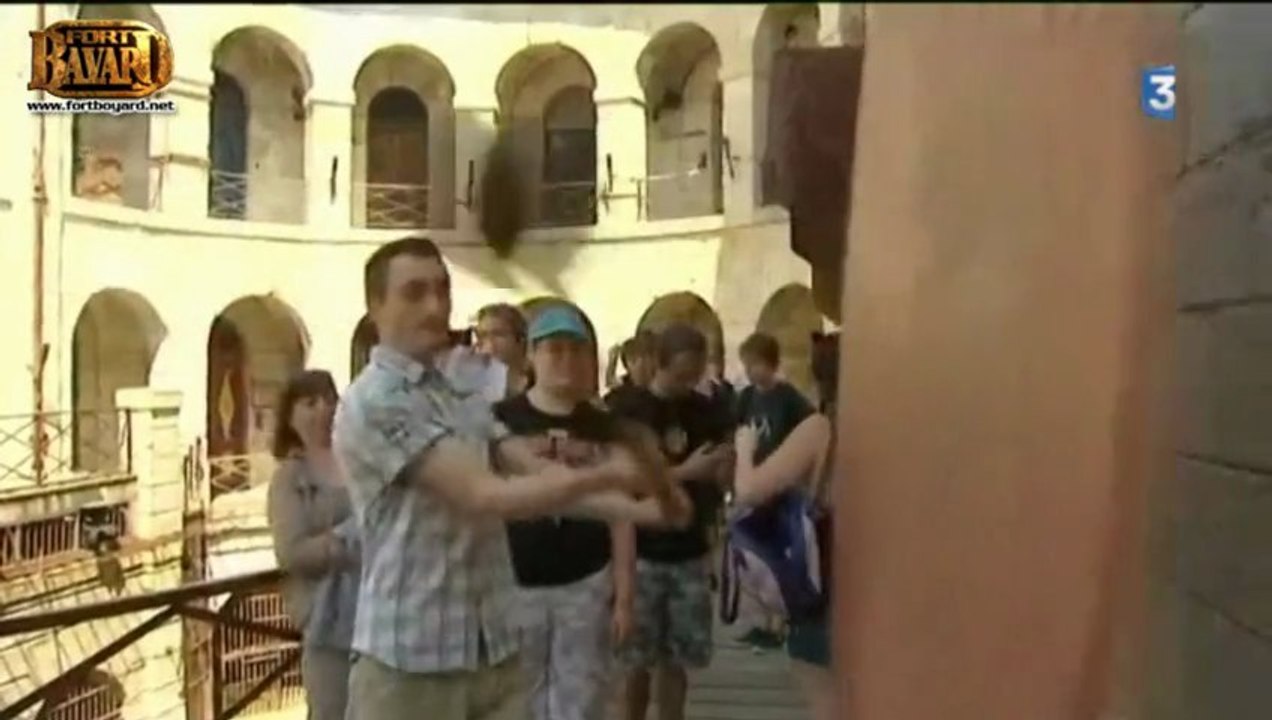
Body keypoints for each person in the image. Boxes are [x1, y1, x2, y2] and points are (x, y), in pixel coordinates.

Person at [334, 236, 683, 720]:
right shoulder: (373, 400)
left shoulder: (456, 389)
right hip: (409, 666)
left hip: (492, 653)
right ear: (376, 306)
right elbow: (485, 495)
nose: (435, 305)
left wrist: (641, 509)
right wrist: (615, 471)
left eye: (442, 289)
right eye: (415, 292)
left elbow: (533, 473)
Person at [493, 305, 638, 720]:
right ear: (532, 356)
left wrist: (625, 596)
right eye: (553, 349)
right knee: (518, 702)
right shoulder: (501, 421)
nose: (565, 360)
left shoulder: (605, 426)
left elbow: (621, 512)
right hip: (515, 582)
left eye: (575, 350)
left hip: (585, 581)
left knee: (581, 701)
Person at [607, 323, 733, 720]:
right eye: (681, 375)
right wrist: (687, 471)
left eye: (694, 374)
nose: (688, 383)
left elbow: (720, 477)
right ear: (660, 364)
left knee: (677, 663)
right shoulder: (629, 411)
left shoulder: (706, 411)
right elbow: (622, 481)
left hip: (690, 551)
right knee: (634, 664)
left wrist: (723, 470)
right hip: (641, 553)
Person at [731, 332, 839, 720]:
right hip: (875, 583)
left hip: (821, 575)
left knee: (824, 694)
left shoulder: (821, 428)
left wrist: (744, 450)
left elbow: (748, 490)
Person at [266, 369, 360, 720]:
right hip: (327, 625)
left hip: (379, 616)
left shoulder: (360, 461)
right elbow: (292, 552)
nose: (324, 409)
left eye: (330, 399)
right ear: (291, 416)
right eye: (310, 403)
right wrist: (348, 539)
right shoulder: (289, 478)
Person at [732, 332, 816, 650]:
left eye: (756, 364)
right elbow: (736, 430)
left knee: (778, 553)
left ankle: (779, 621)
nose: (752, 372)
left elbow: (809, 425)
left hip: (779, 483)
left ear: (771, 364)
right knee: (754, 553)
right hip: (752, 479)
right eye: (748, 365)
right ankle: (762, 619)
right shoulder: (747, 399)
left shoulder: (788, 398)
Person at [475, 302, 532, 397]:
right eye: (483, 335)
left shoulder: (540, 384)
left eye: (498, 334)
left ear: (520, 340)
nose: (489, 343)